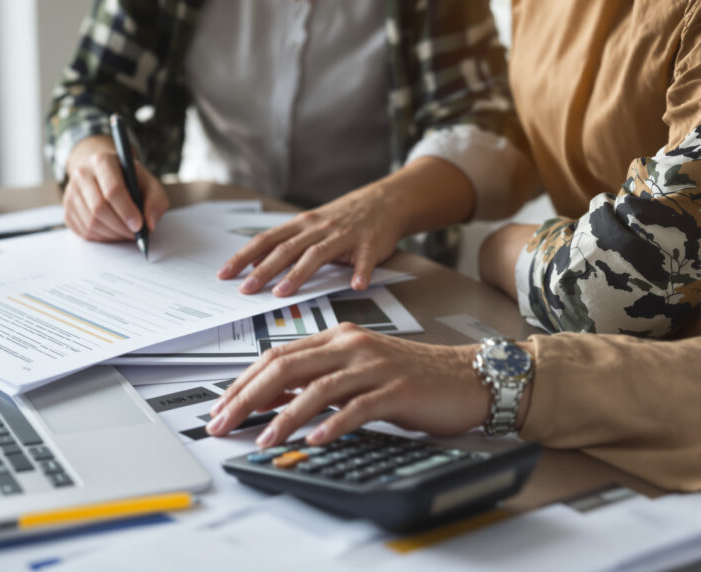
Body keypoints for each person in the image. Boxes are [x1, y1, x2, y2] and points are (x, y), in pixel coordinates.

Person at [207, 0, 701, 492]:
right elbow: (535, 127)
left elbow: (613, 291)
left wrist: (498, 251)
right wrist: (390, 201)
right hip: (597, 366)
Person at [45, 0, 533, 275]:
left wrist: (384, 206)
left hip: (377, 259)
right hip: (199, 241)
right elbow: (88, 91)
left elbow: (486, 123)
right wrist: (92, 159)